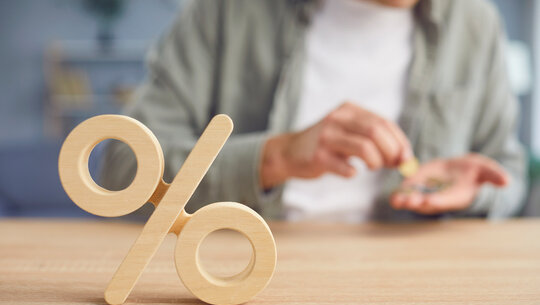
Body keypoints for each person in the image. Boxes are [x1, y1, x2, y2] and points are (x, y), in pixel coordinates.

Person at [102, 0, 527, 222]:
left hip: (416, 285)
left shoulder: (477, 24)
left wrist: (477, 193)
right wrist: (274, 158)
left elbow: (509, 173)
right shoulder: (225, 11)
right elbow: (122, 170)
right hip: (235, 269)